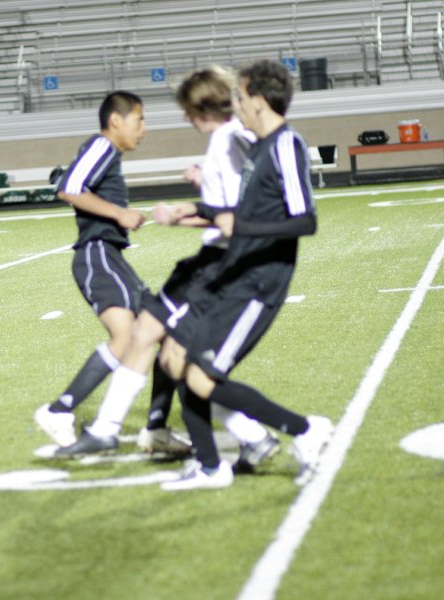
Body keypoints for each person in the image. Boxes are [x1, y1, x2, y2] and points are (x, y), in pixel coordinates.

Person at [54, 67, 281, 470]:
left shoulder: (233, 136)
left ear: (201, 106)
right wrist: (191, 205)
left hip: (220, 264)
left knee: (179, 358)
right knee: (158, 342)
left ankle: (273, 432)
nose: (181, 118)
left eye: (186, 109)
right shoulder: (224, 141)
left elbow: (240, 204)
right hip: (215, 260)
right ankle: (117, 428)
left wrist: (191, 209)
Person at [149, 60, 333, 490]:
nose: (236, 105)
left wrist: (239, 226)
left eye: (241, 97)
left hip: (261, 279)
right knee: (186, 367)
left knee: (200, 375)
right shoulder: (262, 146)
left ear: (260, 100)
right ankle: (212, 468)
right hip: (236, 273)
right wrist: (190, 212)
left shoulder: (287, 144)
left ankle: (306, 431)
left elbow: (305, 220)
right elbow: (236, 211)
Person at [31, 91, 191, 458]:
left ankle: (156, 429)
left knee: (163, 331)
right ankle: (58, 410)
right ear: (116, 120)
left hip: (111, 258)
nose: (144, 129)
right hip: (97, 256)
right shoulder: (102, 146)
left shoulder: (109, 155)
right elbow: (68, 188)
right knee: (128, 337)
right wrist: (119, 215)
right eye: (140, 119)